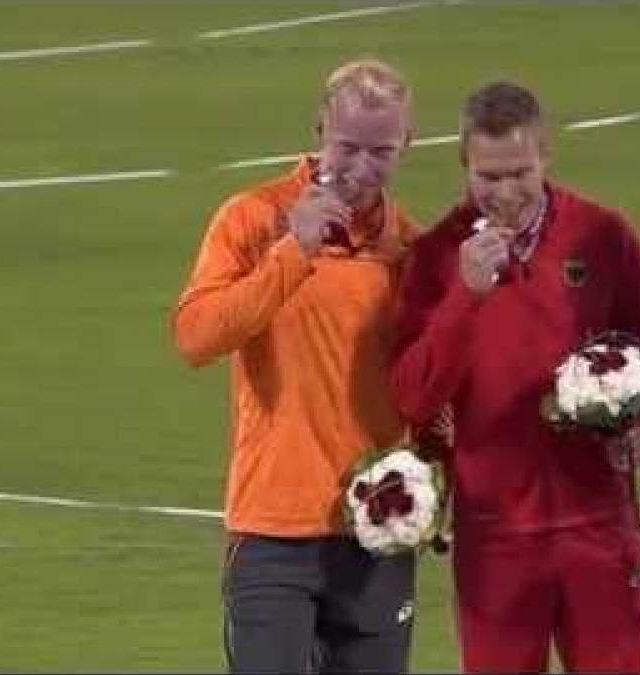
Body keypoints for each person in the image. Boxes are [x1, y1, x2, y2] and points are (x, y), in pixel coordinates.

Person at [389, 81, 640, 673]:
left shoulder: (603, 236)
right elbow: (414, 396)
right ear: (464, 164)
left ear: (545, 156)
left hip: (600, 525)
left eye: (520, 172)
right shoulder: (436, 258)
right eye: (488, 178)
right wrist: (465, 295)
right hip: (495, 538)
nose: (506, 193)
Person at [171, 59, 420, 674]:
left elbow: (428, 386)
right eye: (347, 147)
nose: (362, 169)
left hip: (377, 530)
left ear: (407, 146)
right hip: (272, 529)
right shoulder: (251, 218)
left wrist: (435, 485)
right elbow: (195, 337)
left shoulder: (410, 247)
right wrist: (292, 252)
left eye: (381, 152)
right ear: (318, 131)